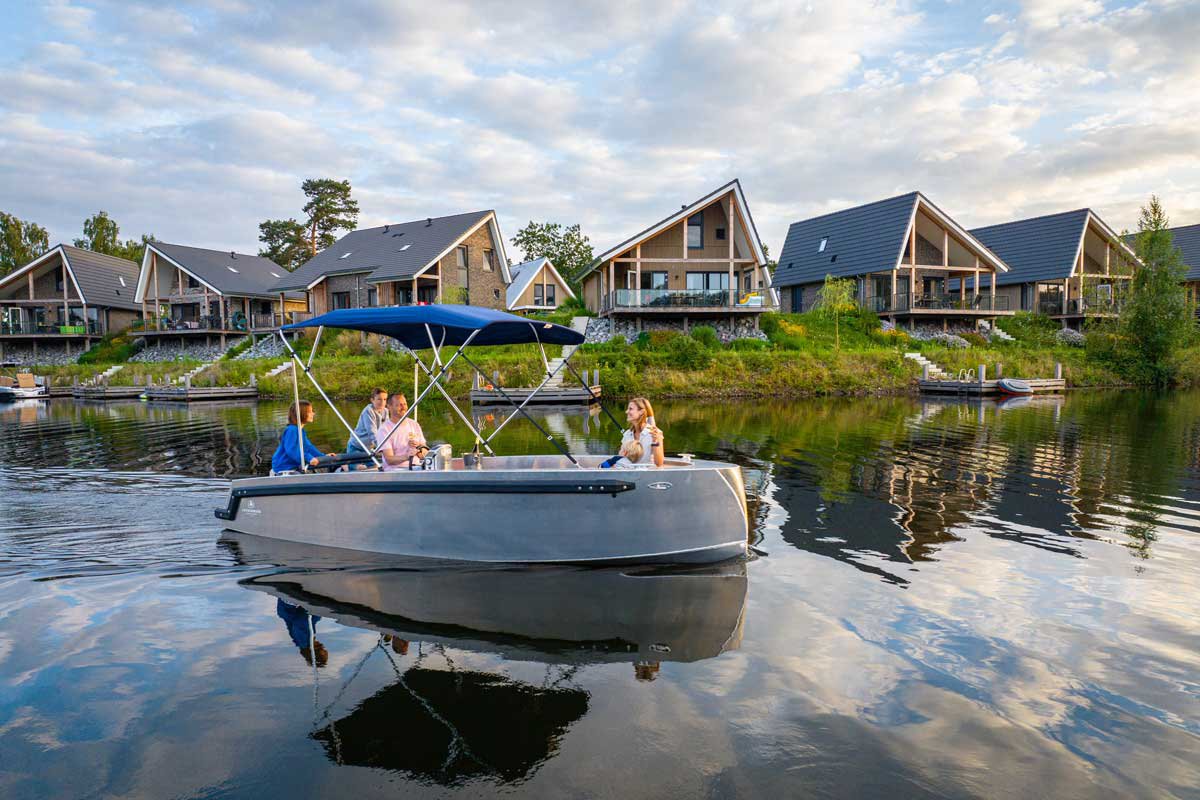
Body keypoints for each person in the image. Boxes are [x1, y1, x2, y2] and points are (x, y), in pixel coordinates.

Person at [271, 400, 335, 473]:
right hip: (284, 466)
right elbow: (292, 450)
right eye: (310, 412)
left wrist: (322, 456)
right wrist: (309, 458)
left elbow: (308, 447)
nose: (313, 414)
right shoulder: (291, 430)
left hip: (294, 464)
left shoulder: (300, 430)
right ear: (301, 413)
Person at [377, 391, 428, 470]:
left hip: (417, 467)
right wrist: (407, 456)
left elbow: (424, 454)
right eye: (399, 405)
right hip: (395, 471)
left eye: (404, 404)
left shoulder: (414, 424)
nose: (403, 407)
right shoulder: (384, 429)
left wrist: (418, 448)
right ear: (389, 407)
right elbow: (389, 460)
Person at [622, 397, 664, 468]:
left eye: (630, 409)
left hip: (648, 476)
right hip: (629, 475)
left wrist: (655, 441)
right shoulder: (627, 434)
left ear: (641, 412)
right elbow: (621, 457)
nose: (626, 412)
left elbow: (659, 463)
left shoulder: (656, 433)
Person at [346, 387, 388, 454]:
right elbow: (372, 434)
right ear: (372, 400)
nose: (382, 402)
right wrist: (383, 448)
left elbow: (386, 431)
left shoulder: (385, 411)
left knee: (379, 464)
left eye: (385, 399)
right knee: (361, 465)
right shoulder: (368, 411)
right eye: (379, 399)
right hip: (356, 447)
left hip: (369, 449)